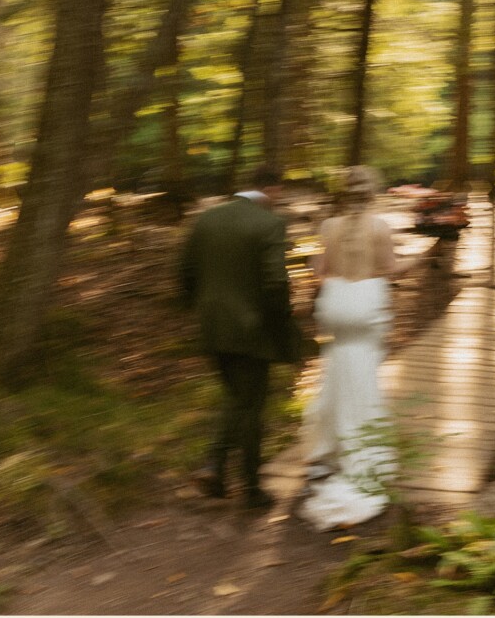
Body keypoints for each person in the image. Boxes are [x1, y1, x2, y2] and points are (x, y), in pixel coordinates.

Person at [298, 165, 420, 531]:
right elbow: (391, 268)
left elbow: (321, 270)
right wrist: (423, 256)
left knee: (334, 375)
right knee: (363, 381)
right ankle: (360, 455)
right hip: (365, 308)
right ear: (373, 193)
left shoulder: (328, 226)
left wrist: (313, 266)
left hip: (336, 308)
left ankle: (326, 455)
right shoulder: (380, 227)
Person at [179, 165, 298, 510]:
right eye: (280, 194)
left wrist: (198, 307)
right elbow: (276, 283)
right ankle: (249, 488)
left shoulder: (207, 219)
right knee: (251, 406)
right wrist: (283, 324)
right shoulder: (269, 223)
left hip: (212, 325)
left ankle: (214, 470)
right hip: (252, 330)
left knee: (236, 399)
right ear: (272, 189)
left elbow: (185, 271)